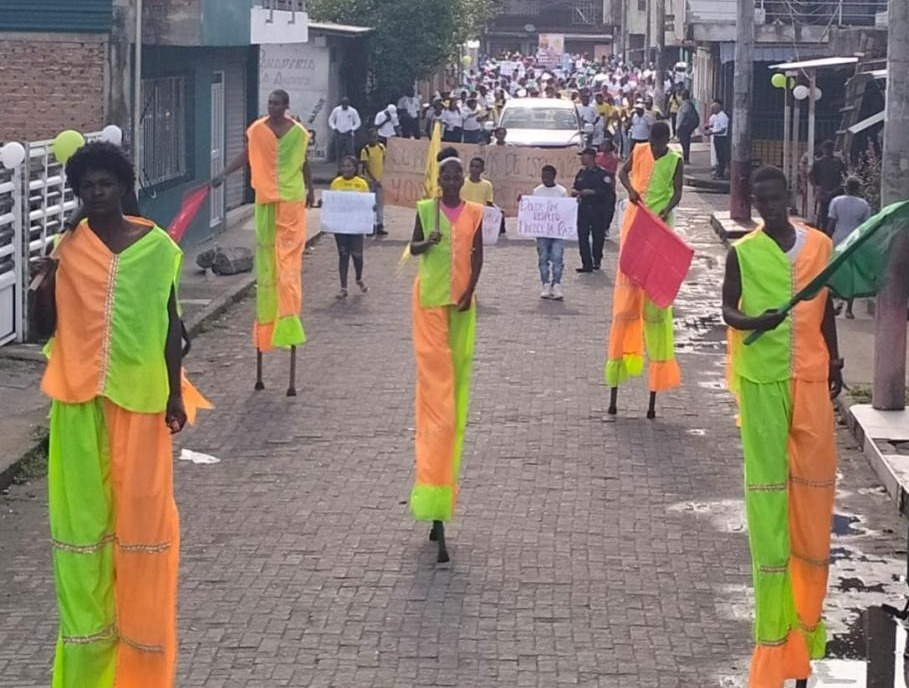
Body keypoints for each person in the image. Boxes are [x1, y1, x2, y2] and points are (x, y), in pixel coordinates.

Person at [31, 142, 210, 687]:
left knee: (141, 525)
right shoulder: (69, 248)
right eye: (87, 186)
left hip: (141, 402)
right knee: (84, 530)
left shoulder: (156, 247)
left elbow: (170, 324)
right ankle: (88, 668)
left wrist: (176, 394)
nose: (97, 193)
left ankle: (138, 670)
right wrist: (44, 277)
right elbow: (44, 330)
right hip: (79, 405)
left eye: (106, 184)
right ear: (79, 193)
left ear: (124, 187)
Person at [722, 165, 842, 688]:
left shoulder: (820, 245)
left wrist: (835, 360)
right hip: (763, 379)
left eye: (776, 198)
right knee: (769, 497)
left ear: (788, 196)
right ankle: (773, 635)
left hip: (811, 376)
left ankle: (807, 623)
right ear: (752, 202)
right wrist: (754, 322)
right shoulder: (743, 252)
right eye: (761, 200)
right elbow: (728, 310)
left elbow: (828, 308)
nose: (769, 207)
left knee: (816, 494)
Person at [408, 148, 484, 564]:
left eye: (457, 177)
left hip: (461, 307)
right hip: (429, 305)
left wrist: (470, 292)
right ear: (439, 182)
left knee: (456, 387)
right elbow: (413, 249)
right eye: (447, 178)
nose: (452, 183)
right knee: (436, 396)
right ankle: (433, 474)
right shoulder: (426, 209)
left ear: (464, 181)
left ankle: (442, 484)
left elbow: (477, 256)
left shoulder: (474, 212)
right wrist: (426, 241)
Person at [214, 89, 314, 393]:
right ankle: (268, 329)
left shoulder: (298, 133)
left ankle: (288, 322)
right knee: (268, 268)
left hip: (292, 200)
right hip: (266, 200)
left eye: (276, 103)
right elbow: (246, 156)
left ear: (286, 106)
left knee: (288, 266)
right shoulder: (257, 130)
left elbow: (303, 162)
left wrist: (311, 189)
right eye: (269, 103)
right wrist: (224, 174)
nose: (271, 107)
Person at [606, 121, 683, 418]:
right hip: (636, 222)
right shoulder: (638, 150)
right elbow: (622, 172)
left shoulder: (675, 160)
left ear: (667, 140)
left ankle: (653, 397)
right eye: (653, 141)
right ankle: (614, 389)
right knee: (626, 301)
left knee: (655, 306)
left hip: (661, 226)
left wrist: (666, 209)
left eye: (660, 142)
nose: (655, 146)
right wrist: (631, 191)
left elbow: (678, 192)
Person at [827, 176, 871, 318]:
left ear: (846, 188)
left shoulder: (836, 201)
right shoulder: (863, 204)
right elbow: (866, 226)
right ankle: (848, 309)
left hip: (839, 239)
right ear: (858, 189)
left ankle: (835, 303)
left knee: (836, 272)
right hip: (855, 240)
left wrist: (827, 240)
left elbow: (831, 223)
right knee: (851, 274)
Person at [330, 156, 371, 299]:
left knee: (357, 254)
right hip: (341, 226)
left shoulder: (361, 184)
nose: (346, 169)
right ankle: (343, 287)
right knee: (343, 254)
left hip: (356, 225)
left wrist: (371, 207)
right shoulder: (336, 183)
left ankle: (358, 278)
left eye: (349, 166)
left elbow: (367, 202)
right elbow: (332, 202)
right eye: (344, 166)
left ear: (355, 168)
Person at [572, 146, 616, 272]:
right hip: (584, 208)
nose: (581, 158)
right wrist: (575, 192)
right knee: (582, 236)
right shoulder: (581, 173)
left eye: (583, 156)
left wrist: (592, 192)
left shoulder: (603, 174)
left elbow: (608, 192)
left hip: (598, 209)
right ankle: (586, 263)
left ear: (591, 157)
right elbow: (575, 187)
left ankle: (597, 259)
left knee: (598, 236)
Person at [533, 165, 568, 300]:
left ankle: (557, 284)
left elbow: (566, 210)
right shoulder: (537, 191)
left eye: (548, 176)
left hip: (557, 232)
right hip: (542, 232)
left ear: (554, 176)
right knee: (543, 258)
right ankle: (546, 284)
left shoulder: (561, 191)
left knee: (557, 258)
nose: (545, 179)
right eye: (543, 176)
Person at [809, 140, 847, 230]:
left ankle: (828, 230)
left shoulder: (838, 162)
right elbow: (811, 176)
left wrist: (836, 189)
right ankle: (826, 231)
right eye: (826, 148)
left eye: (829, 149)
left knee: (833, 215)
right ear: (823, 150)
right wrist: (817, 187)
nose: (828, 151)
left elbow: (844, 176)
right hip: (825, 193)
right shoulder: (818, 162)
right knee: (825, 214)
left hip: (835, 192)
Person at [359, 128, 388, 236]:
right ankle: (370, 226)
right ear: (367, 138)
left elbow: (385, 160)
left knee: (380, 204)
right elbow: (366, 167)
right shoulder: (365, 150)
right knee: (370, 205)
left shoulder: (381, 147)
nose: (374, 139)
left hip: (380, 180)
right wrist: (375, 179)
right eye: (372, 137)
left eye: (375, 137)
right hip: (370, 181)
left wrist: (383, 177)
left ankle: (380, 225)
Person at [328, 96, 362, 163]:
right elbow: (330, 120)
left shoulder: (353, 111)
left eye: (346, 104)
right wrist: (334, 128)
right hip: (339, 134)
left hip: (349, 135)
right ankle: (339, 169)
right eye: (343, 103)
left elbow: (358, 122)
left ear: (348, 103)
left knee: (350, 153)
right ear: (341, 103)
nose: (345, 105)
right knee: (339, 153)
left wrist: (352, 129)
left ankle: (352, 168)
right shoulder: (336, 110)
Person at [705, 99, 730, 179]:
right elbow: (716, 126)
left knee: (721, 157)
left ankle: (721, 175)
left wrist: (712, 133)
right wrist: (710, 128)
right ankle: (719, 173)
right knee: (719, 156)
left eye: (713, 109)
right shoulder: (717, 116)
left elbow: (723, 130)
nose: (712, 111)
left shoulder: (722, 116)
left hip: (721, 138)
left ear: (718, 108)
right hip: (717, 138)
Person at [675, 89, 699, 164]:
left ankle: (686, 158)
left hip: (684, 127)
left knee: (684, 142)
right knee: (686, 142)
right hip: (687, 127)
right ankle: (686, 157)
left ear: (683, 96)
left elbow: (682, 116)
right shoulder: (690, 104)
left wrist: (678, 127)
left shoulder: (686, 105)